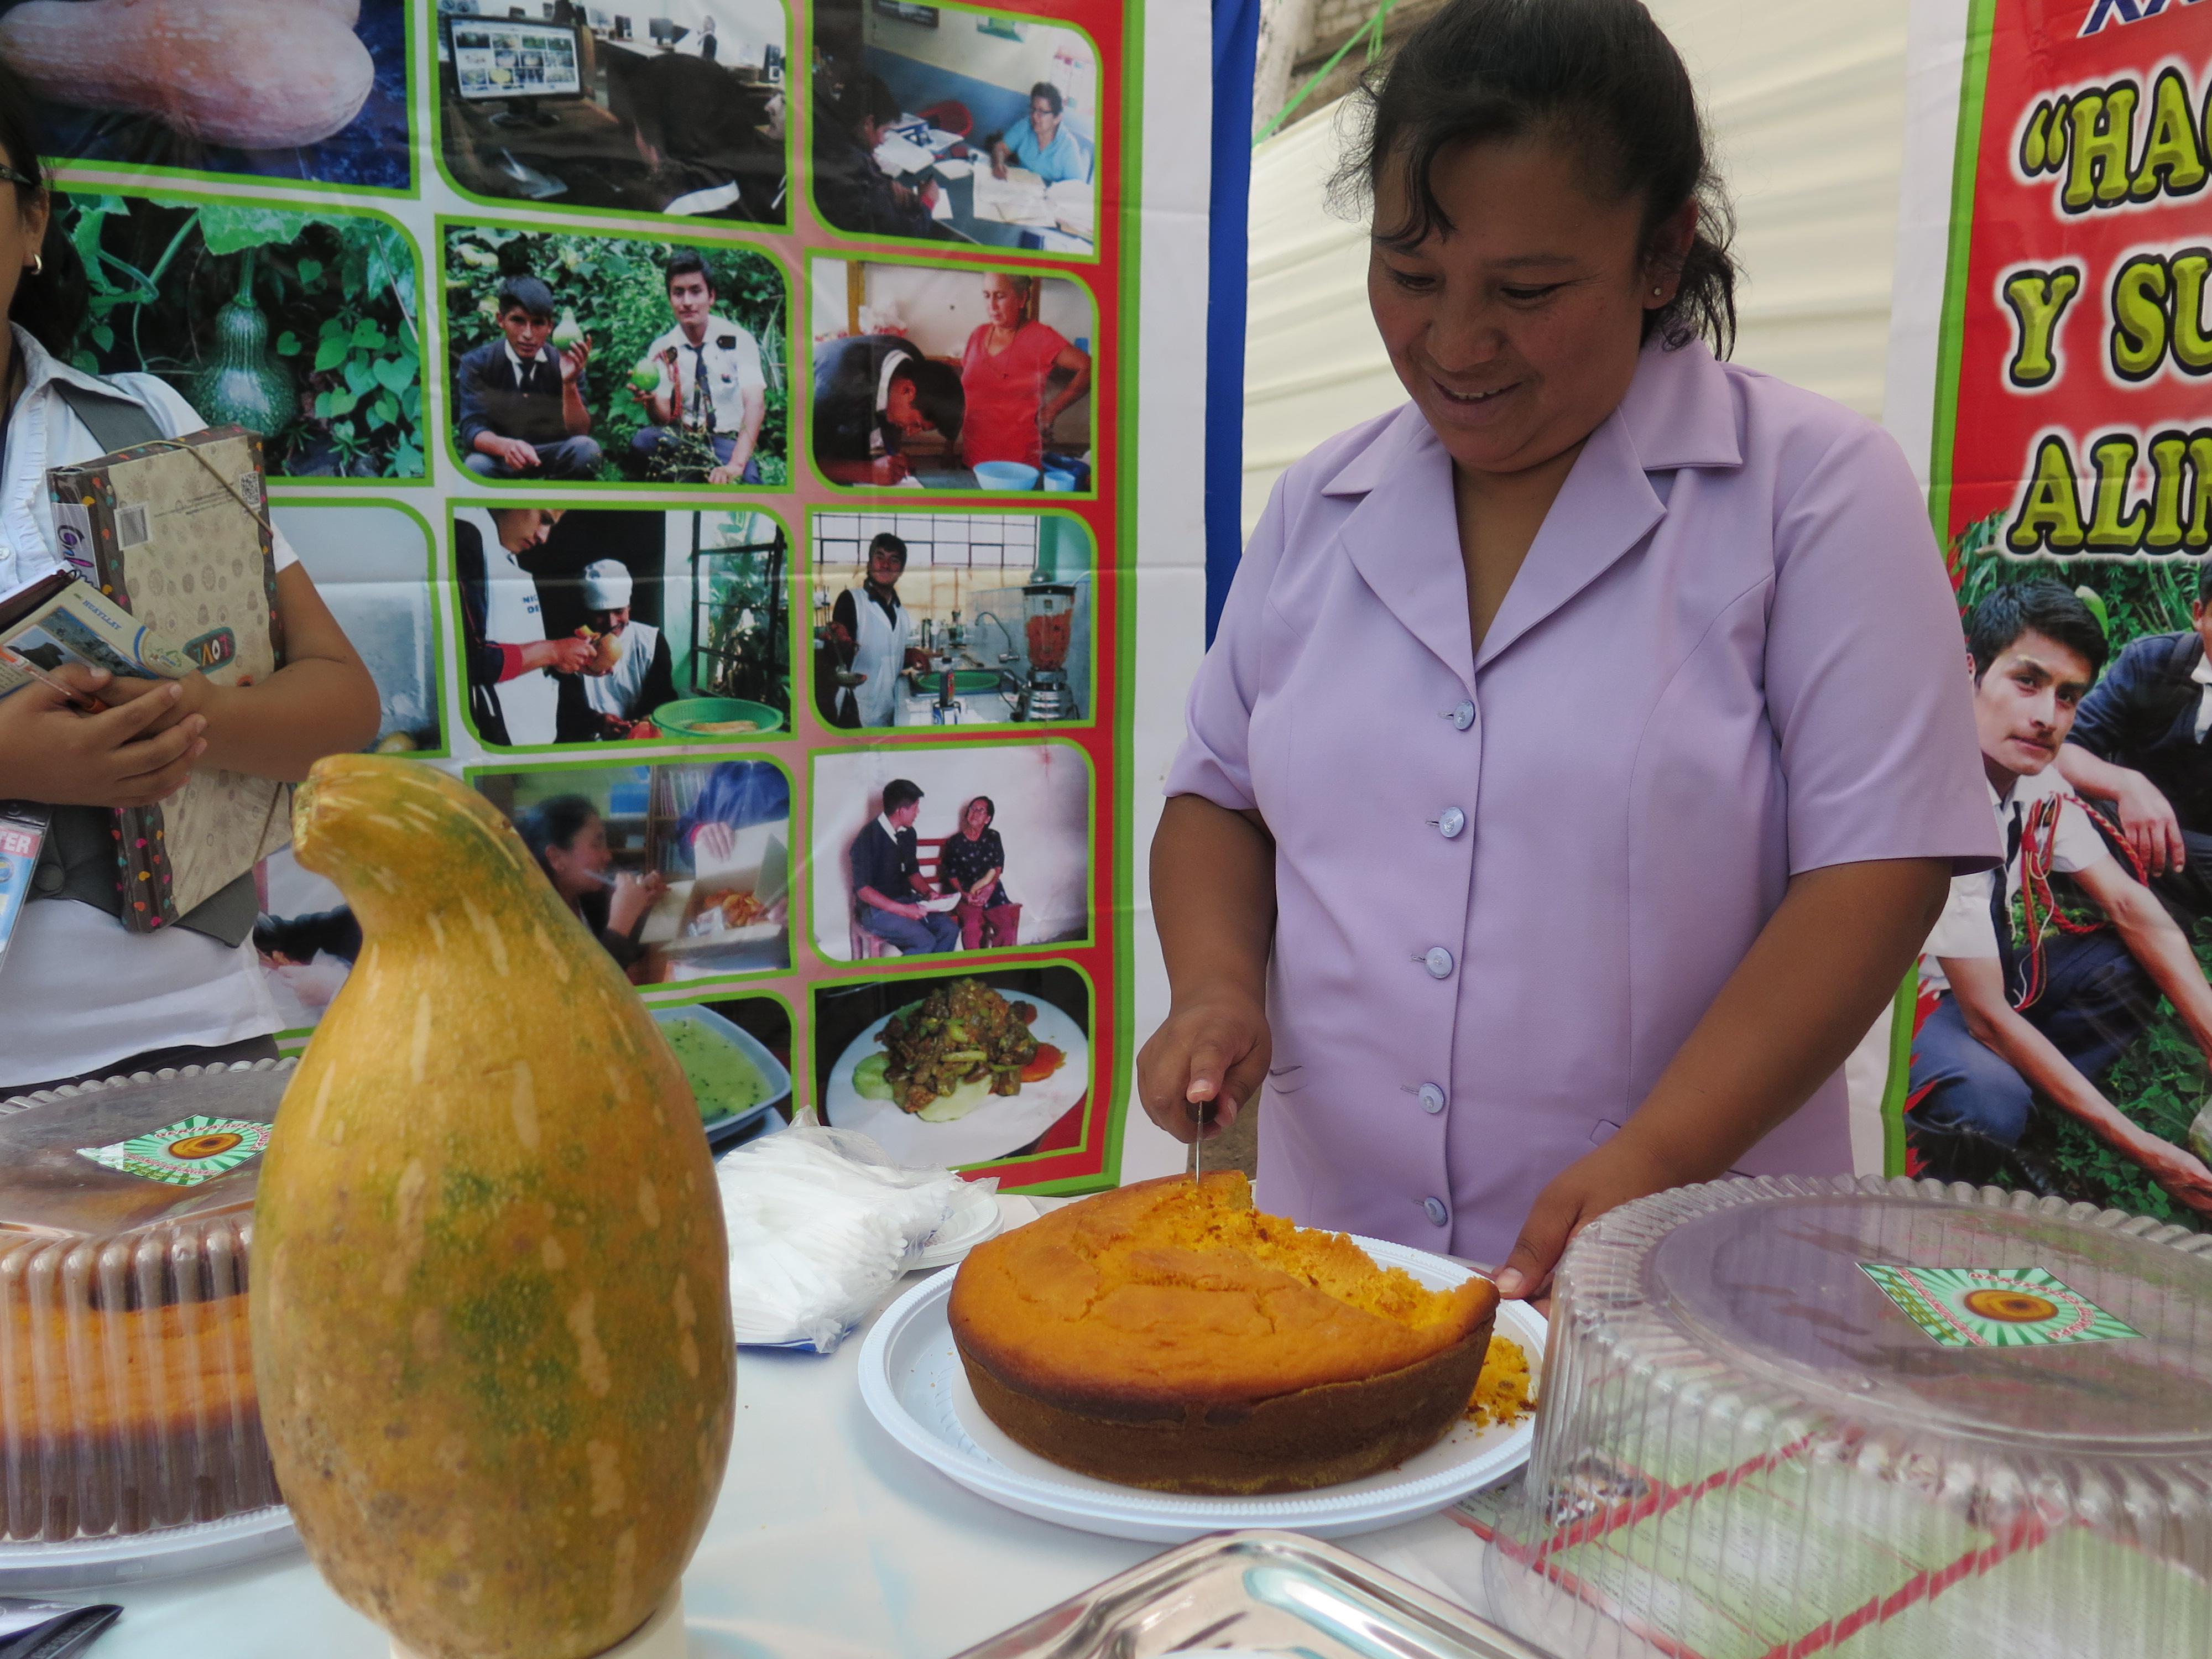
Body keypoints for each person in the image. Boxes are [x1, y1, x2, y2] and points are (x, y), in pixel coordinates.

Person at [1140, 0, 1996, 1290]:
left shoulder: (1807, 490)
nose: (1455, 342)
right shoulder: (1321, 504)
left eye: (1527, 292)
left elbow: (1879, 867)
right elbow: (1219, 793)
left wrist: (1665, 1147)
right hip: (1338, 1258)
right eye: (1409, 275)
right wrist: (1211, 986)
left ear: (1661, 254)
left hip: (1683, 1282)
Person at [0, 79, 382, 1094]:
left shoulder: (148, 425)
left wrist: (197, 714)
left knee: (208, 1268)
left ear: (33, 217)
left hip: (192, 1044)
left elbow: (343, 707)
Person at [1908, 584, 2212, 1213]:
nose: (2047, 715)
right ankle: (1949, 1166)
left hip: (1972, 982)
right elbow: (1988, 1013)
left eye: (2067, 696)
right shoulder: (1937, 786)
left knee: (2124, 965)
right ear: (1970, 669)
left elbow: (2134, 910)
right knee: (1988, 1096)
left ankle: (2035, 1113)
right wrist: (2144, 1149)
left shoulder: (2034, 779)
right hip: (1893, 1010)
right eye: (2027, 682)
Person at [2054, 562, 2212, 923]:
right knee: (2072, 813)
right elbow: (2062, 748)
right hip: (2131, 831)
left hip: (2197, 851)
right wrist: (2127, 785)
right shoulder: (2153, 662)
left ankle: (2156, 904)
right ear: (2199, 614)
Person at [453, 506, 593, 747]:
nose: (543, 537)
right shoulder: (466, 535)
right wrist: (554, 652)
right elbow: (469, 661)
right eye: (544, 519)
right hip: (495, 737)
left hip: (528, 735)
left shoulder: (500, 548)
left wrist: (563, 660)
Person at [629, 253, 768, 485]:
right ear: (670, 298)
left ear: (711, 296)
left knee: (749, 483)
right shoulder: (663, 348)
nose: (687, 302)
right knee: (643, 442)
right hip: (682, 439)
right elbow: (662, 417)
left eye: (696, 291)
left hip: (726, 442)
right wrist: (650, 400)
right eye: (678, 293)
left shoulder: (739, 340)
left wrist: (735, 465)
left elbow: (755, 403)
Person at [453, 275, 602, 479]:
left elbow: (581, 432)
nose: (528, 334)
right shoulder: (477, 363)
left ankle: (558, 509)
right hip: (502, 456)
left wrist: (570, 383)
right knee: (475, 465)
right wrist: (507, 447)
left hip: (551, 454)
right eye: (518, 321)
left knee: (587, 450)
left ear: (550, 327)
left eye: (538, 323)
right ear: (501, 320)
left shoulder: (567, 363)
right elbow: (472, 428)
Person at [513, 795, 666, 977]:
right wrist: (622, 920)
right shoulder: (536, 925)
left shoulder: (588, 898)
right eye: (596, 844)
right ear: (556, 858)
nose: (607, 856)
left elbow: (627, 959)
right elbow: (592, 985)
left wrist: (640, 909)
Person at [959, 272, 1090, 472]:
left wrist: (1051, 411)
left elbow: (1088, 367)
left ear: (1022, 299)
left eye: (1000, 296)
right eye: (987, 295)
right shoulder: (978, 335)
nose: (992, 306)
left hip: (1019, 465)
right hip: (973, 459)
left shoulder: (1040, 337)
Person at [810, 332, 964, 487]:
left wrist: (894, 456)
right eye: (917, 424)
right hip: (807, 426)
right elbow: (800, 462)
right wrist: (868, 472)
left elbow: (889, 406)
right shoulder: (835, 388)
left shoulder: (913, 361)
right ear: (907, 390)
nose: (910, 433)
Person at [812, 72, 945, 241]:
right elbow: (906, 235)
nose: (882, 141)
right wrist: (928, 202)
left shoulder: (835, 138)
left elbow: (870, 179)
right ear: (868, 123)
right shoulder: (854, 167)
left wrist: (886, 186)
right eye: (884, 131)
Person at [818, 533, 926, 729]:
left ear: (901, 570)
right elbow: (837, 657)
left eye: (894, 560)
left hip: (889, 710)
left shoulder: (901, 613)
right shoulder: (852, 600)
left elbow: (888, 655)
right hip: (855, 712)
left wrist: (909, 655)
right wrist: (840, 643)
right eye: (880, 557)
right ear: (869, 564)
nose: (885, 565)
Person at [849, 779, 958, 956]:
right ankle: (908, 982)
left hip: (907, 900)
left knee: (949, 930)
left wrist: (929, 893)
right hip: (876, 910)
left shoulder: (908, 833)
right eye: (916, 807)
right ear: (902, 811)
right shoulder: (867, 838)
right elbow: (864, 891)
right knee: (924, 942)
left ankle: (931, 978)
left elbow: (912, 872)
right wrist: (905, 911)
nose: (918, 812)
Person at [575, 559, 677, 739]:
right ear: (587, 612)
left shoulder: (651, 642)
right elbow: (566, 708)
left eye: (618, 611)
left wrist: (640, 723)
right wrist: (597, 720)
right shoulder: (572, 648)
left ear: (629, 608)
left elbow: (663, 697)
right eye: (600, 614)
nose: (612, 623)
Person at [943, 795, 1019, 950]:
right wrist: (964, 894)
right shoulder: (955, 842)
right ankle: (975, 968)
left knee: (1006, 929)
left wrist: (991, 886)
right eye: (973, 809)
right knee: (971, 929)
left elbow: (998, 865)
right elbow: (951, 874)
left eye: (981, 810)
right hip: (966, 892)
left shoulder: (993, 837)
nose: (975, 813)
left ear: (987, 819)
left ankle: (1000, 968)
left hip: (992, 890)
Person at [989, 82, 1087, 186]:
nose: (1035, 116)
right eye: (1033, 110)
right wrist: (998, 164)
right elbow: (1001, 148)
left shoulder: (1068, 146)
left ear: (1057, 118)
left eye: (1041, 112)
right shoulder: (1026, 125)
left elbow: (1077, 187)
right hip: (1020, 188)